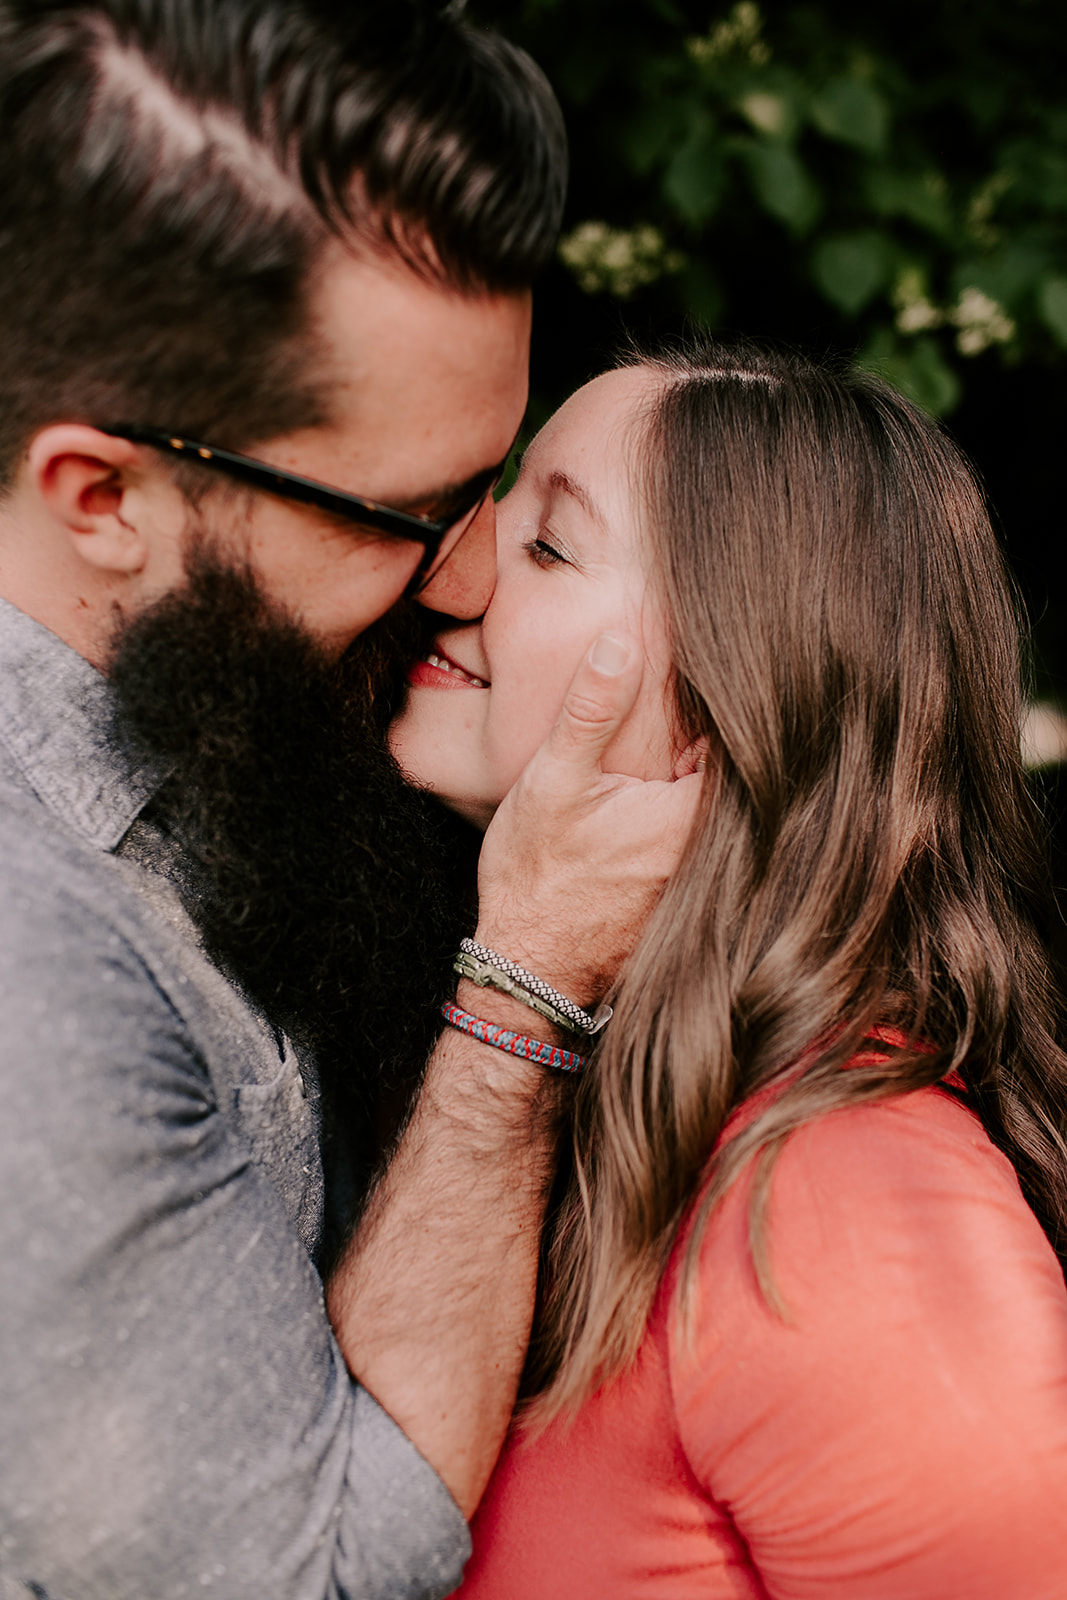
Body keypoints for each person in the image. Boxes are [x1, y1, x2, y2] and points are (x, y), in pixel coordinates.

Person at [0, 5, 702, 1598]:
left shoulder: (232, 726)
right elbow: (309, 1573)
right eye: (415, 512)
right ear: (100, 495)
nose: (464, 574)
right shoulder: (27, 967)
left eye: (502, 488)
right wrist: (524, 988)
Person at [390, 337, 1067, 1598]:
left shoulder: (842, 1204)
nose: (453, 563)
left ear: (731, 695)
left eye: (545, 545)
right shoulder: (610, 1091)